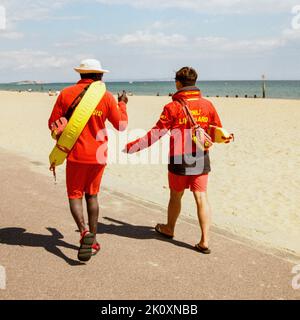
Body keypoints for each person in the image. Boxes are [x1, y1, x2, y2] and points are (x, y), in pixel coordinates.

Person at [124, 67, 229, 254]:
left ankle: (169, 228)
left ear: (178, 83)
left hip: (179, 158)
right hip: (200, 155)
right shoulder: (207, 105)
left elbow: (156, 134)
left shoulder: (172, 107)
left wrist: (133, 147)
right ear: (195, 83)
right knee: (201, 197)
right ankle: (205, 240)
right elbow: (217, 130)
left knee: (176, 195)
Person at [48, 59, 128, 262]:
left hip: (75, 155)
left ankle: (84, 232)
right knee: (92, 196)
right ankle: (93, 240)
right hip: (98, 155)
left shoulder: (66, 94)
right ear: (99, 76)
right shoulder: (107, 97)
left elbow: (52, 123)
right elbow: (121, 125)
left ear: (81, 75)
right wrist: (122, 104)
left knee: (75, 195)